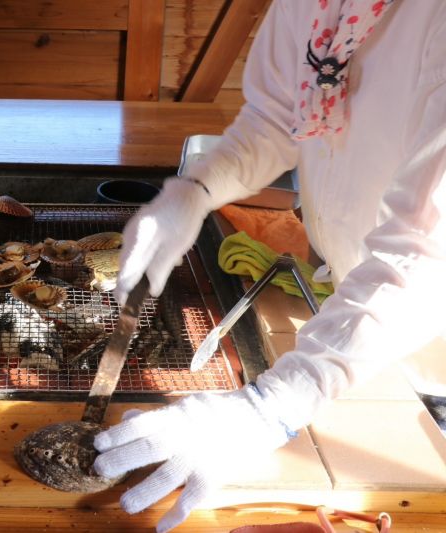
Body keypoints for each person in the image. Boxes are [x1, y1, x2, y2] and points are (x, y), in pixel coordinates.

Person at [92, 1, 446, 531]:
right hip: (362, 313)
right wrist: (196, 189)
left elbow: (425, 252)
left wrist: (273, 404)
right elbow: (279, 118)